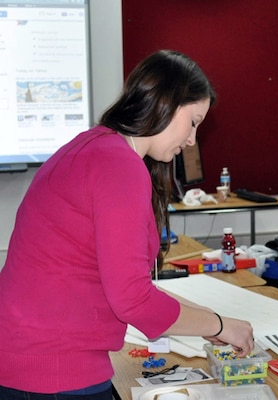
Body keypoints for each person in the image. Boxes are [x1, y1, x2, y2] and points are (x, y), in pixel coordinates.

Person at [0, 50, 254, 399]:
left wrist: (209, 320)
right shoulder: (119, 165)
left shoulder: (96, 147)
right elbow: (132, 300)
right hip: (55, 370)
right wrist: (221, 326)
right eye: (194, 122)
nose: (193, 140)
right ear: (168, 103)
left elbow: (126, 285)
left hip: (33, 360)